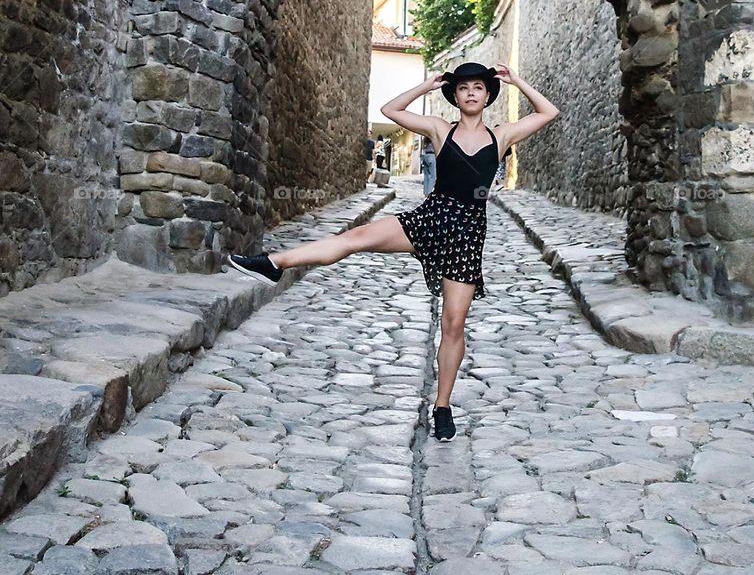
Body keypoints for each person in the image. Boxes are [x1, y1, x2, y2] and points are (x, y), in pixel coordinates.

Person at [226, 60, 559, 443]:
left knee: (453, 325)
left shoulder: (501, 136)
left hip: (468, 235)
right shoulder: (439, 129)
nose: (470, 92)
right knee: (357, 237)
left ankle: (443, 406)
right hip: (431, 218)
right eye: (464, 87)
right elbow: (391, 111)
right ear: (455, 95)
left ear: (487, 95)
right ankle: (274, 263)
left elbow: (549, 112)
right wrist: (426, 86)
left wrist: (517, 81)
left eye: (478, 87)